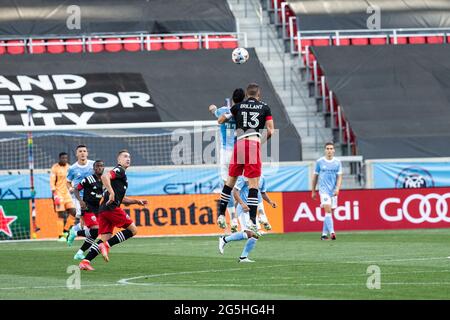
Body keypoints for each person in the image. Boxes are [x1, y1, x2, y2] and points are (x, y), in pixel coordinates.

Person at [216, 83, 274, 236]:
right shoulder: (265, 107)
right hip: (253, 144)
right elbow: (270, 130)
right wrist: (259, 143)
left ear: (247, 94)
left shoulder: (238, 106)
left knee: (230, 182)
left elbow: (220, 120)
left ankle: (221, 214)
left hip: (239, 144)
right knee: (253, 185)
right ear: (258, 94)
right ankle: (253, 222)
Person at [79, 150, 147, 271]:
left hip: (104, 210)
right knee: (133, 230)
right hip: (111, 209)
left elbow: (122, 199)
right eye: (125, 156)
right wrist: (111, 193)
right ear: (119, 160)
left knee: (104, 237)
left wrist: (137, 201)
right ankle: (107, 245)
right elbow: (105, 176)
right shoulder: (119, 170)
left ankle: (85, 261)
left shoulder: (121, 176)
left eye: (129, 157)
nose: (128, 159)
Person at [208, 88, 245, 232]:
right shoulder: (244, 113)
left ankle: (232, 218)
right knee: (237, 188)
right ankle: (242, 220)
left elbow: (214, 111)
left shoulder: (224, 110)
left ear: (232, 98)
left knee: (226, 188)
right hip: (240, 153)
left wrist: (213, 108)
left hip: (225, 153)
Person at [218, 175, 277, 263]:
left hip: (253, 210)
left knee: (255, 235)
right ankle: (224, 240)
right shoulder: (243, 177)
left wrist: (270, 202)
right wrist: (242, 204)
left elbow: (262, 193)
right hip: (243, 209)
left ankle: (243, 257)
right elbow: (235, 191)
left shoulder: (262, 178)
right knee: (252, 233)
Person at [68, 160, 105, 260]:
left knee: (94, 234)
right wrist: (80, 201)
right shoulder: (88, 179)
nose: (99, 168)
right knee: (96, 230)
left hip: (97, 209)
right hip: (87, 208)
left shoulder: (104, 181)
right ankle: (74, 233)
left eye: (101, 166)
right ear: (93, 169)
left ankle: (79, 253)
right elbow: (76, 189)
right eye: (97, 166)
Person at [311, 142, 342, 241]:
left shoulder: (337, 162)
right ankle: (332, 232)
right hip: (323, 190)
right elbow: (315, 176)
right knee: (328, 211)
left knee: (328, 213)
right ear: (325, 150)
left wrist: (337, 188)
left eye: (331, 148)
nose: (329, 150)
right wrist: (313, 191)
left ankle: (324, 235)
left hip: (333, 191)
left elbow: (339, 177)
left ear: (334, 150)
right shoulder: (320, 162)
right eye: (327, 148)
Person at [66, 145, 95, 236]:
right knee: (87, 222)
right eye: (80, 151)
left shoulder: (93, 165)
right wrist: (70, 188)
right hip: (79, 198)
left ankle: (74, 231)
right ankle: (90, 243)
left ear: (87, 153)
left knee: (88, 222)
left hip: (93, 197)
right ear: (76, 154)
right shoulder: (72, 168)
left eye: (84, 151)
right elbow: (68, 182)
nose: (82, 153)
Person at [49, 152, 76, 242]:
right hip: (58, 193)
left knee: (74, 212)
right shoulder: (55, 167)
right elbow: (52, 181)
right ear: (59, 158)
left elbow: (72, 180)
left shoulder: (70, 167)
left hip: (67, 194)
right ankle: (60, 236)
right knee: (61, 214)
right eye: (63, 158)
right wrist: (54, 194)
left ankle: (66, 230)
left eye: (66, 158)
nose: (64, 159)